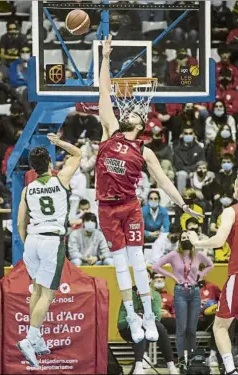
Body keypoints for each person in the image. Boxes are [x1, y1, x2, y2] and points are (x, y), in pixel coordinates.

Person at [96, 34, 203, 345]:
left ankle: (148, 315)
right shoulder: (110, 131)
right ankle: (131, 314)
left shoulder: (145, 152)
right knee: (119, 264)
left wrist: (182, 202)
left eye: (132, 112)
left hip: (130, 206)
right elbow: (104, 90)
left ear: (140, 120)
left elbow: (164, 182)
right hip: (106, 208)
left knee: (137, 260)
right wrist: (105, 58)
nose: (126, 111)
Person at [16, 134, 81, 367]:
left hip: (32, 240)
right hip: (52, 241)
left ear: (32, 168)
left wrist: (28, 244)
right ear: (50, 164)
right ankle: (30, 337)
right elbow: (78, 154)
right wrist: (59, 142)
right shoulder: (61, 179)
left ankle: (37, 338)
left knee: (37, 290)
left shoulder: (27, 189)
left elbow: (19, 223)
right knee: (48, 294)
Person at [188, 178, 238, 375]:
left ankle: (231, 370)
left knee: (220, 326)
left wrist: (197, 241)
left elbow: (218, 241)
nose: (234, 187)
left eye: (236, 184)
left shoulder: (230, 211)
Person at [153, 231, 213, 373]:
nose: (186, 239)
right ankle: (181, 362)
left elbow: (210, 264)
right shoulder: (174, 255)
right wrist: (172, 276)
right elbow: (156, 266)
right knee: (181, 329)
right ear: (180, 240)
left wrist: (200, 275)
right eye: (183, 237)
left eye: (188, 237)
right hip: (180, 292)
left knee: (192, 329)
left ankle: (192, 360)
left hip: (195, 292)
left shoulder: (197, 255)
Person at [117, 270, 178, 375]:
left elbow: (157, 317)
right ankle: (139, 366)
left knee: (160, 327)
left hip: (150, 328)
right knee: (140, 327)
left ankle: (171, 365)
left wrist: (150, 300)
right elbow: (121, 322)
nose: (143, 279)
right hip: (128, 328)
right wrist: (135, 318)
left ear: (150, 280)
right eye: (140, 276)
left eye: (146, 277)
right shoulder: (129, 293)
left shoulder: (155, 294)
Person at [173, 125, 206, 193]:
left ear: (194, 135)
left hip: (196, 170)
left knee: (203, 172)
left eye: (190, 133)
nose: (188, 135)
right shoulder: (177, 149)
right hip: (183, 171)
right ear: (182, 135)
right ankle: (181, 200)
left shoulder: (199, 148)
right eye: (186, 133)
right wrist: (189, 171)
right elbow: (178, 165)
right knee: (182, 174)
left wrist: (193, 171)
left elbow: (202, 162)